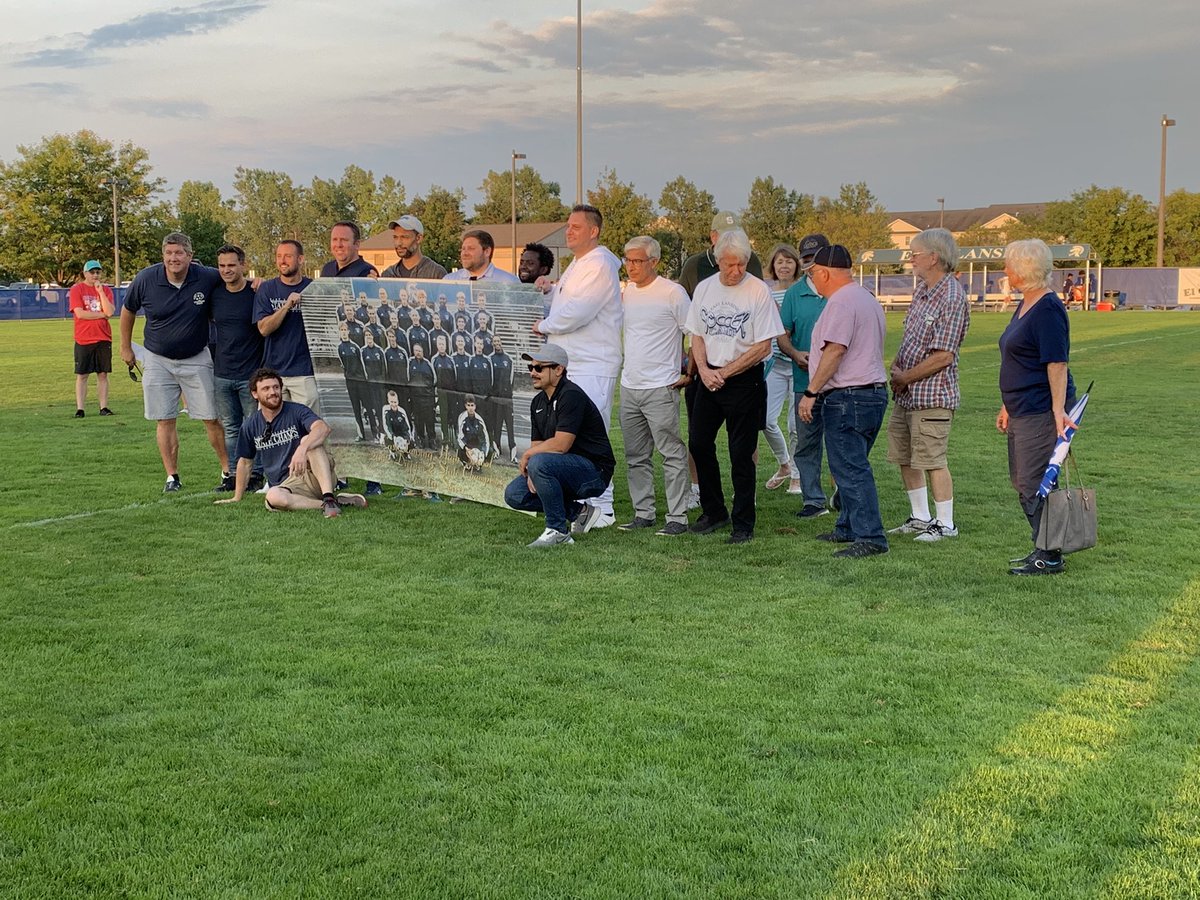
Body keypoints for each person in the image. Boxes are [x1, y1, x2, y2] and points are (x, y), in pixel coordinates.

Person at [684, 229, 783, 544]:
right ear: (717, 261)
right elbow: (696, 334)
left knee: (742, 453)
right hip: (708, 375)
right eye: (729, 265)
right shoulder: (704, 289)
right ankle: (714, 511)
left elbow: (764, 346)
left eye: (741, 264)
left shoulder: (757, 291)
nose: (736, 271)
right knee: (699, 444)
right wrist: (703, 368)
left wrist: (725, 372)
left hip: (743, 378)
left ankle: (744, 523)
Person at [532, 204, 623, 527]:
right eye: (568, 226)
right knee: (571, 431)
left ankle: (603, 506)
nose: (568, 231)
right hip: (575, 362)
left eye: (575, 227)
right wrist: (551, 290)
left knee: (591, 434)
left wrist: (544, 325)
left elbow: (580, 311)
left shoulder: (599, 264)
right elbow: (569, 301)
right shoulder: (580, 263)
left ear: (593, 231)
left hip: (593, 362)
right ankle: (583, 503)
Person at [797, 244, 889, 558]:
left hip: (848, 395)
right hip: (872, 392)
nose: (813, 280)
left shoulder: (840, 302)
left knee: (850, 468)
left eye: (813, 274)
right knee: (853, 463)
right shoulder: (866, 297)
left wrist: (811, 392)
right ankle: (848, 526)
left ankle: (870, 536)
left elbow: (835, 350)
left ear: (823, 272)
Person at [119, 231, 229, 492]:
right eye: (168, 253)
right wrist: (125, 346)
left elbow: (232, 278)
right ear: (162, 256)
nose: (173, 258)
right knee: (164, 418)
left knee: (211, 418)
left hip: (196, 356)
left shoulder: (207, 276)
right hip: (157, 358)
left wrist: (256, 282)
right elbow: (128, 310)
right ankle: (172, 477)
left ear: (190, 256)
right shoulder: (146, 278)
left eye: (179, 253)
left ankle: (228, 470)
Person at [997, 239, 1077, 576]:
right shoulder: (1026, 303)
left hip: (1041, 409)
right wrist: (1006, 404)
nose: (1004, 271)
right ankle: (1044, 548)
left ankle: (1050, 553)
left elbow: (1056, 363)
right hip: (1020, 407)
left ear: (1021, 270)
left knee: (1033, 482)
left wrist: (1058, 411)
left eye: (1008, 265)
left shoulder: (1047, 308)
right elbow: (1019, 358)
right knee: (1024, 481)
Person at [886, 227, 971, 542]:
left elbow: (943, 356)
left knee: (933, 458)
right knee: (905, 455)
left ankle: (945, 523)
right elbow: (910, 337)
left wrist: (904, 377)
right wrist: (897, 366)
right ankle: (920, 517)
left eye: (915, 254)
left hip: (932, 395)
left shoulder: (951, 296)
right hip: (906, 394)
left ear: (933, 257)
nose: (911, 260)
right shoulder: (920, 291)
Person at [214, 367, 367, 517]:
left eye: (276, 387)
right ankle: (333, 503)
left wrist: (302, 449)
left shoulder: (297, 410)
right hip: (286, 486)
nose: (272, 392)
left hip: (312, 475)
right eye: (266, 389)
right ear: (255, 394)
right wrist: (236, 497)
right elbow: (245, 462)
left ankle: (327, 495)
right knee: (273, 496)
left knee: (309, 439)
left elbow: (323, 428)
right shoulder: (250, 425)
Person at [504, 344, 616, 548]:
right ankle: (578, 513)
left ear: (558, 370)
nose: (532, 373)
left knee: (539, 462)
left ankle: (558, 531)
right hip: (561, 467)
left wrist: (531, 458)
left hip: (594, 472)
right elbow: (539, 444)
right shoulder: (537, 402)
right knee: (514, 494)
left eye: (539, 368)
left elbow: (561, 445)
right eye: (531, 368)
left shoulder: (571, 395)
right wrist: (532, 471)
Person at [618, 235, 692, 536]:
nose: (631, 266)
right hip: (629, 386)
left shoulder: (672, 293)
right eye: (628, 260)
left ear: (654, 262)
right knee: (636, 455)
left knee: (671, 453)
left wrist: (690, 370)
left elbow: (694, 334)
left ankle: (678, 517)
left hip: (662, 386)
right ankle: (643, 513)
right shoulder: (627, 293)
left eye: (637, 261)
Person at [779, 233, 833, 517]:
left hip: (839, 383)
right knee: (807, 442)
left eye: (817, 258)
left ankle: (843, 494)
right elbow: (782, 336)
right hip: (804, 381)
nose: (811, 264)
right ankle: (813, 500)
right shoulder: (792, 294)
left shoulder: (841, 291)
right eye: (807, 259)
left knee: (840, 443)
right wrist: (795, 354)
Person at [209, 245, 265, 492]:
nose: (226, 270)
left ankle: (257, 474)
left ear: (243, 265)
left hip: (250, 373)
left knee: (254, 425)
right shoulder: (215, 294)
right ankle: (233, 474)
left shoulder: (256, 292)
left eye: (231, 265)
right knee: (231, 428)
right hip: (222, 372)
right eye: (221, 266)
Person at [254, 240, 320, 412]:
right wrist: (286, 306)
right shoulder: (267, 289)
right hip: (273, 372)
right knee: (272, 429)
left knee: (308, 429)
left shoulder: (313, 288)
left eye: (288, 256)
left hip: (305, 372)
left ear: (300, 259)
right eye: (279, 256)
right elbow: (264, 329)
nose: (283, 260)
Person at [761, 243, 803, 494]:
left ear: (796, 265)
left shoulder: (801, 292)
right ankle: (784, 464)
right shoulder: (766, 293)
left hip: (798, 366)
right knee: (765, 420)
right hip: (774, 365)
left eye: (789, 261)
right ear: (773, 266)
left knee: (795, 425)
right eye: (779, 261)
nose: (784, 265)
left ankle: (797, 476)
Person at [678, 210, 764, 297]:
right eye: (726, 236)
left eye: (736, 234)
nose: (736, 271)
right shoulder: (694, 266)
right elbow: (682, 301)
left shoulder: (750, 259)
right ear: (713, 237)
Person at [69, 259, 114, 417]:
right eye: (92, 272)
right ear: (85, 273)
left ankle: (104, 407)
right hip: (84, 338)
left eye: (98, 272)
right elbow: (80, 313)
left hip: (103, 338)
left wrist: (101, 292)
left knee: (102, 374)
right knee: (82, 374)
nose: (95, 275)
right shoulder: (77, 289)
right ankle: (80, 409)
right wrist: (101, 315)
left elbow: (110, 311)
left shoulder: (106, 290)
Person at [380, 215, 448, 280]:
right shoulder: (388, 275)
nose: (398, 243)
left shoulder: (436, 273)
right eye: (395, 237)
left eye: (404, 237)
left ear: (418, 238)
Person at [445, 229, 520, 283]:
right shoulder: (449, 281)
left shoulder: (509, 282)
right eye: (463, 249)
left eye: (471, 248)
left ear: (487, 251)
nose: (465, 253)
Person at [488, 334, 516, 457]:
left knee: (509, 424)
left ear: (501, 342)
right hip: (496, 398)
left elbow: (512, 379)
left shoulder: (508, 359)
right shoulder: (490, 359)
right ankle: (497, 447)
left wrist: (509, 394)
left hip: (507, 398)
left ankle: (512, 448)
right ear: (492, 344)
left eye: (498, 341)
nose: (496, 343)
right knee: (497, 424)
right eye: (494, 341)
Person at [456, 395, 492, 471]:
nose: (470, 408)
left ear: (475, 406)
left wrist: (483, 453)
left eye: (472, 405)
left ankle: (478, 464)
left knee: (490, 451)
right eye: (468, 405)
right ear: (465, 406)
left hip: (476, 444)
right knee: (459, 450)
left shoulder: (479, 420)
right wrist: (467, 448)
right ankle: (467, 463)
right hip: (467, 444)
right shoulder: (462, 418)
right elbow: (460, 436)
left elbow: (485, 439)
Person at [382, 390, 414, 460]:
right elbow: (387, 426)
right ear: (388, 401)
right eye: (391, 402)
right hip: (393, 434)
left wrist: (406, 439)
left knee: (411, 441)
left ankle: (406, 453)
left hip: (401, 434)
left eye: (395, 402)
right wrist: (393, 437)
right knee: (387, 438)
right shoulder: (385, 410)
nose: (393, 404)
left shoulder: (402, 411)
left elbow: (407, 427)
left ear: (398, 401)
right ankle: (392, 452)